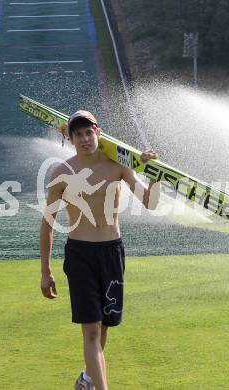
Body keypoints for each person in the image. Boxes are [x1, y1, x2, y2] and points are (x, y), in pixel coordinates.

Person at [39, 109, 160, 390]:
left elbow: (149, 202)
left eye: (88, 132)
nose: (84, 138)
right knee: (91, 330)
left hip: (112, 253)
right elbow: (47, 224)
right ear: (70, 139)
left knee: (104, 328)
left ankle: (86, 380)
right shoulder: (62, 173)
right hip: (80, 255)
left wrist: (154, 174)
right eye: (78, 134)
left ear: (98, 133)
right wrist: (45, 271)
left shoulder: (117, 165)